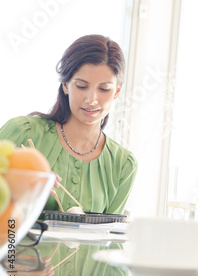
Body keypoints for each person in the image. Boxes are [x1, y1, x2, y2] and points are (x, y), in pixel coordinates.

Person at [0, 34, 137, 214]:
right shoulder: (23, 133)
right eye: (81, 86)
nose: (92, 100)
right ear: (65, 85)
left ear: (117, 91)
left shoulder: (123, 164)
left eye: (104, 89)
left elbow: (109, 239)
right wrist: (22, 195)